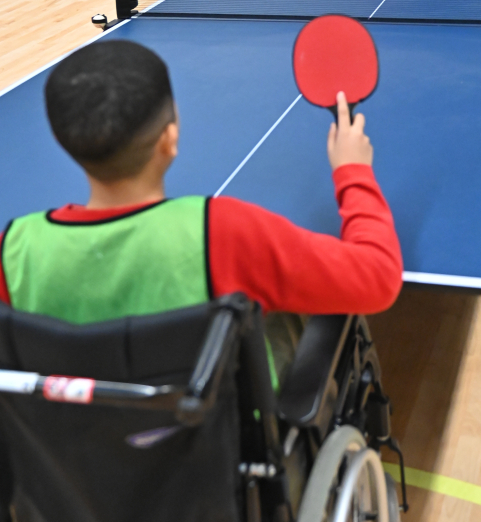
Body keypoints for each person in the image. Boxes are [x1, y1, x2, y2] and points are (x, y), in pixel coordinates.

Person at [0, 41, 403, 383]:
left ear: (64, 141)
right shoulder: (225, 232)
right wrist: (353, 172)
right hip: (217, 447)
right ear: (169, 139)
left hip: (73, 452)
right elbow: (379, 277)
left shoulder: (15, 248)